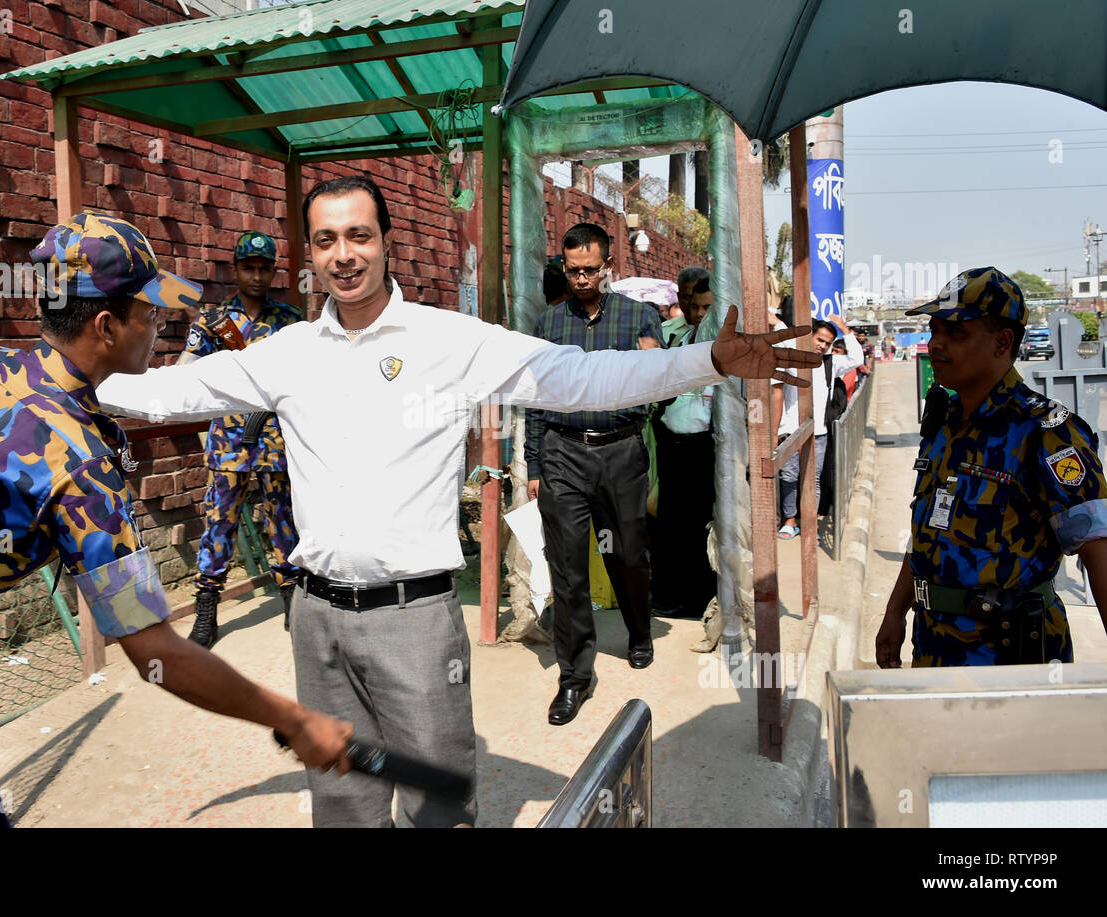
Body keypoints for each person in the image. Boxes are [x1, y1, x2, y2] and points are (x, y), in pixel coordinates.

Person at [96, 174, 820, 827]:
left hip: (413, 621)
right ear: (308, 256)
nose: (343, 254)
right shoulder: (286, 353)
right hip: (315, 623)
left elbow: (578, 378)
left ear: (387, 243)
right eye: (325, 240)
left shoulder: (447, 342)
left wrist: (711, 360)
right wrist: (53, 372)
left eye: (358, 235)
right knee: (343, 809)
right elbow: (169, 393)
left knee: (440, 810)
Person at [0, 211, 351, 828]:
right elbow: (154, 650)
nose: (160, 326)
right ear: (105, 325)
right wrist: (293, 718)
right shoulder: (79, 464)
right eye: (151, 313)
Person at [875, 267, 1107, 668]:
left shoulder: (1046, 432)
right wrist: (895, 611)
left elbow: (1098, 548)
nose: (937, 345)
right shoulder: (945, 424)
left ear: (1003, 342)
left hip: (1013, 660)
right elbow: (932, 531)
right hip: (934, 650)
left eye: (957, 334)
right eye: (935, 331)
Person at [524, 223, 666, 726]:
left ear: (609, 267)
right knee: (567, 567)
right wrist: (535, 463)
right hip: (564, 453)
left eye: (590, 270)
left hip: (620, 453)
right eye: (573, 270)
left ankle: (639, 628)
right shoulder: (548, 326)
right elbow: (536, 399)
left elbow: (664, 388)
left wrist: (656, 375)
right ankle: (575, 677)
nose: (581, 279)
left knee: (627, 553)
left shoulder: (638, 318)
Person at [178, 230, 303, 647]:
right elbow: (186, 370)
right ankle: (207, 609)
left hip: (275, 439)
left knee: (283, 522)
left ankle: (292, 599)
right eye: (248, 268)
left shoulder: (288, 321)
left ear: (273, 271)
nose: (256, 276)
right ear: (236, 270)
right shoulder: (214, 321)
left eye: (264, 268)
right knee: (219, 523)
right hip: (229, 440)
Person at [650, 266, 717, 619]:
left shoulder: (725, 343)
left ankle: (702, 599)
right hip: (671, 445)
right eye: (691, 301)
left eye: (706, 306)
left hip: (709, 448)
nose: (697, 310)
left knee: (703, 525)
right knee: (672, 525)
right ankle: (671, 597)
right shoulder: (672, 338)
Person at [772, 312, 863, 539]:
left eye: (827, 343)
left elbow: (857, 359)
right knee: (789, 476)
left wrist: (845, 330)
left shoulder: (831, 363)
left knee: (813, 479)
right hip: (791, 432)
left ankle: (810, 524)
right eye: (819, 340)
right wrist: (778, 323)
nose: (822, 346)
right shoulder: (793, 358)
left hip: (818, 433)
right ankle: (790, 520)